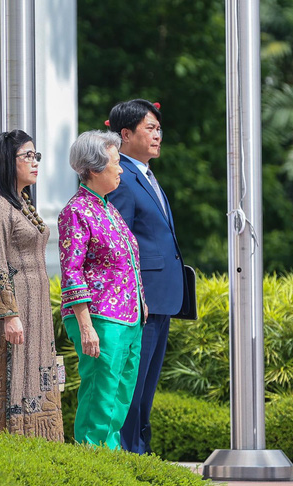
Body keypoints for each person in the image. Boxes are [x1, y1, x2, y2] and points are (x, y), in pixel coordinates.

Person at [106, 99, 186, 454]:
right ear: (125, 135)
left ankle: (141, 451)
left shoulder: (147, 176)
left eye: (159, 129)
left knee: (147, 386)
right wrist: (133, 296)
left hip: (161, 296)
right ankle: (130, 454)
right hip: (141, 300)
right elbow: (118, 244)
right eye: (149, 128)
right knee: (132, 385)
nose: (158, 135)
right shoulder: (121, 177)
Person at [58, 130, 147, 449]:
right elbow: (71, 271)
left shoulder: (109, 208)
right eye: (116, 162)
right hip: (100, 319)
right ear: (94, 169)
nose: (121, 169)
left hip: (129, 318)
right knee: (100, 397)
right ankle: (92, 463)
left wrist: (141, 303)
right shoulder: (76, 211)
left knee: (120, 399)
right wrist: (85, 326)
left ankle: (111, 463)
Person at [0, 129, 63, 441]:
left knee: (39, 377)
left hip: (36, 308)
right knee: (13, 379)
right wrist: (9, 314)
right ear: (6, 161)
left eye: (35, 155)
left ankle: (44, 448)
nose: (35, 161)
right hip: (14, 311)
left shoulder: (21, 202)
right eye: (28, 155)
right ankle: (12, 449)